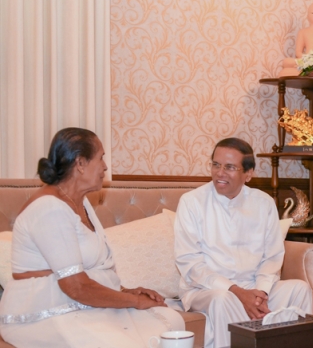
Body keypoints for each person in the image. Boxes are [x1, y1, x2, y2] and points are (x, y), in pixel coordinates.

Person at [0, 128, 184, 347]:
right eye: (101, 158)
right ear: (80, 163)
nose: (105, 166)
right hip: (48, 314)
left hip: (81, 305)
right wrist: (135, 301)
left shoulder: (82, 201)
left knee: (172, 320)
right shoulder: (49, 208)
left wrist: (126, 291)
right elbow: (76, 287)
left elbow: (93, 268)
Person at [174, 137, 313, 348]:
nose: (220, 173)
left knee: (299, 289)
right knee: (224, 299)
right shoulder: (191, 202)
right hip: (206, 290)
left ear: (248, 174)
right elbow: (191, 265)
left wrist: (261, 293)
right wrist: (238, 292)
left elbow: (273, 257)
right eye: (216, 165)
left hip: (254, 286)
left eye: (229, 167)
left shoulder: (263, 202)